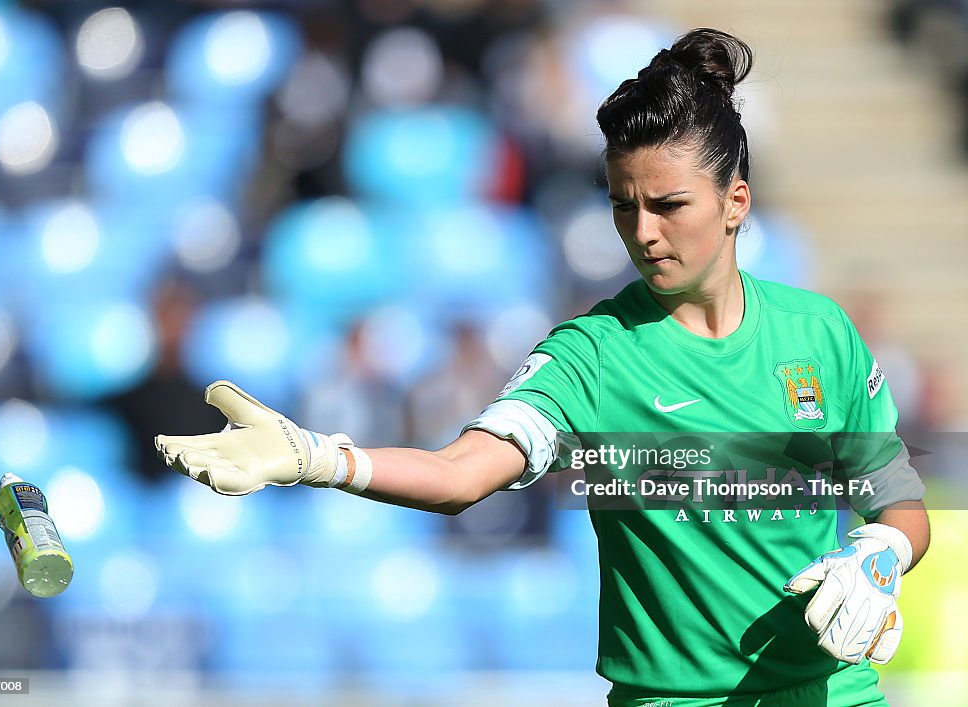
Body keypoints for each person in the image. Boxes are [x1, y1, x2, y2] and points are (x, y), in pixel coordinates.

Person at [155, 28, 930, 707]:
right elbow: (462, 475)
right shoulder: (591, 354)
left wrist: (879, 554)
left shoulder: (820, 333)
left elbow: (898, 502)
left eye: (669, 205)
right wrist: (316, 457)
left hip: (837, 697)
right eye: (624, 205)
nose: (644, 231)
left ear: (735, 201)